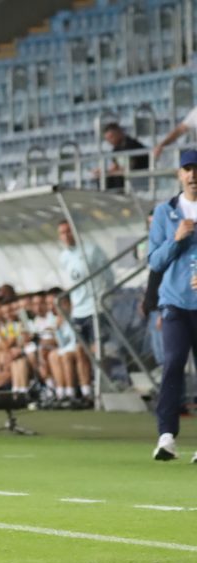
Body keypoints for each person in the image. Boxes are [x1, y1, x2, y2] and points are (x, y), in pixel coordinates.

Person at [148, 149, 197, 463]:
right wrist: (176, 239)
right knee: (173, 362)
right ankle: (166, 436)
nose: (193, 175)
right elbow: (154, 261)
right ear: (179, 174)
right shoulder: (164, 212)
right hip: (175, 303)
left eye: (196, 169)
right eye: (187, 169)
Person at [57, 219, 112, 407]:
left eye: (68, 231)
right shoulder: (64, 256)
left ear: (75, 231)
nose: (65, 236)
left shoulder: (91, 250)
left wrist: (106, 298)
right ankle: (86, 392)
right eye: (62, 233)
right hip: (78, 311)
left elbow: (108, 274)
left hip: (95, 308)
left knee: (98, 351)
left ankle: (104, 388)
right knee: (80, 351)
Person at [94, 122, 148, 191]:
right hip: (127, 176)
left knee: (115, 178)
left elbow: (129, 166)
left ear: (119, 133)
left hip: (138, 177)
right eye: (107, 139)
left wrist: (110, 172)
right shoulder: (116, 149)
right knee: (102, 178)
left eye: (111, 137)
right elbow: (115, 167)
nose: (110, 141)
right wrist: (103, 172)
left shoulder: (131, 144)